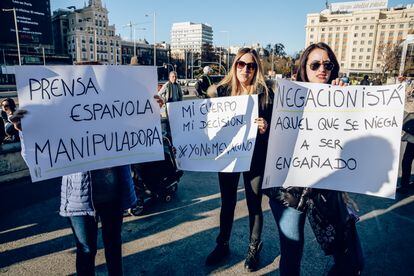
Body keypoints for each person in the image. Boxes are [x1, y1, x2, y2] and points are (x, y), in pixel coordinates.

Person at [11, 96, 164, 275]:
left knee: (114, 246)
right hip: (79, 199)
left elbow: (138, 137)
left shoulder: (113, 108)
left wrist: (150, 112)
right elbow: (36, 159)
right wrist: (26, 132)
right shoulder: (66, 113)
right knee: (86, 251)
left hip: (114, 196)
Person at [264, 42, 364, 276]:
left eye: (327, 65)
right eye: (315, 64)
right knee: (291, 253)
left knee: (351, 258)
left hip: (326, 190)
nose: (322, 69)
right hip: (288, 191)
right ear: (304, 68)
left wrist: (345, 101)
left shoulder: (342, 97)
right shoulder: (286, 97)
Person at [205, 47, 273, 272]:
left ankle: (254, 247)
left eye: (251, 65)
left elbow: (276, 130)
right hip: (229, 157)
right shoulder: (222, 91)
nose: (246, 69)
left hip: (254, 158)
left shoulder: (265, 94)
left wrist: (266, 127)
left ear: (257, 69)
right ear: (234, 66)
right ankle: (222, 244)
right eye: (241, 64)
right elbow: (202, 118)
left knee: (254, 203)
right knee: (228, 203)